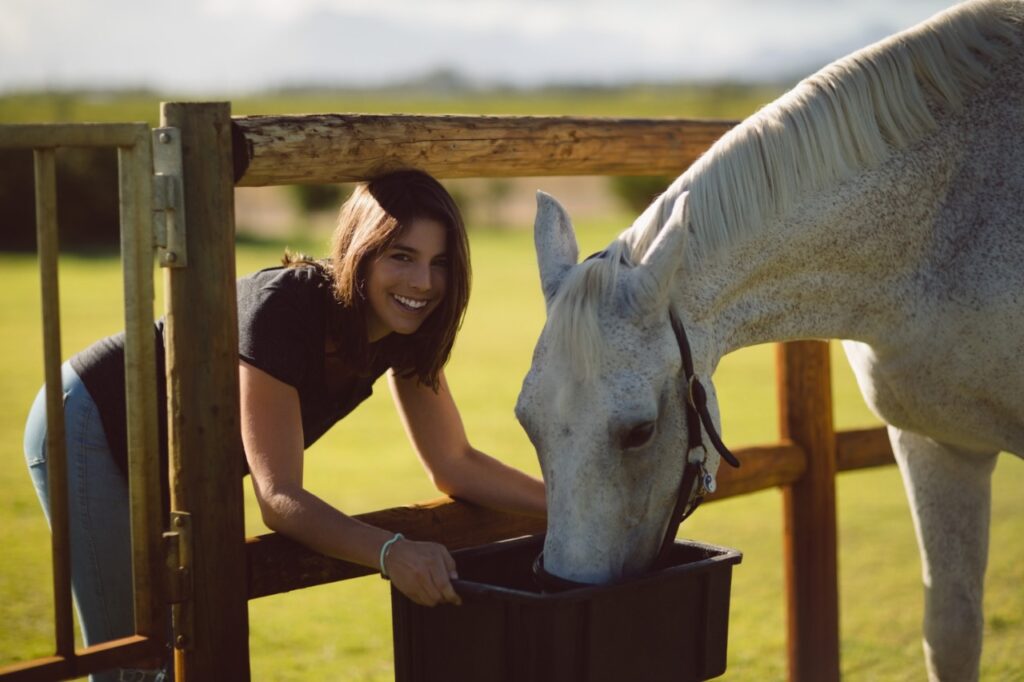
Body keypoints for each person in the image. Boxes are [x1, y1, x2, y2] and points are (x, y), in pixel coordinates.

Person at [23, 169, 547, 681]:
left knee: (181, 647)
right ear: (360, 252)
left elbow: (453, 462)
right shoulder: (284, 307)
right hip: (89, 421)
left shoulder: (405, 331)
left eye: (440, 263)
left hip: (176, 456)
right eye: (402, 256)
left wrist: (566, 504)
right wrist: (392, 551)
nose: (423, 282)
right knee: (134, 660)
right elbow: (279, 499)